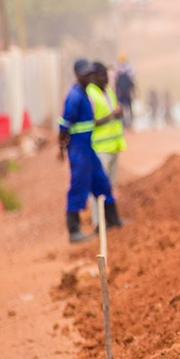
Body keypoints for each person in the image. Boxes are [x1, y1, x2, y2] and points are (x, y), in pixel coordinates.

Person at [58, 58, 122, 243]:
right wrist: (61, 148)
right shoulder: (75, 96)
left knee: (102, 183)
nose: (89, 77)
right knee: (79, 185)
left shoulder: (85, 93)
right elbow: (64, 125)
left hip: (88, 147)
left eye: (90, 74)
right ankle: (74, 230)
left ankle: (113, 220)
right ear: (77, 75)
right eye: (85, 74)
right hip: (78, 148)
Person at [87, 62, 126, 185]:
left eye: (106, 75)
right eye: (102, 75)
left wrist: (119, 112)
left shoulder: (108, 92)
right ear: (94, 77)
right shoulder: (90, 94)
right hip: (99, 149)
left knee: (109, 185)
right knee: (99, 186)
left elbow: (114, 113)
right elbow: (89, 122)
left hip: (113, 146)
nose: (106, 78)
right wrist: (112, 115)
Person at [114, 54, 136, 130]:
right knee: (128, 108)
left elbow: (116, 83)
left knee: (124, 108)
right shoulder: (129, 69)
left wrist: (116, 92)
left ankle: (126, 123)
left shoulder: (117, 70)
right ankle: (129, 123)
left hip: (122, 92)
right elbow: (133, 81)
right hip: (126, 92)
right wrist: (133, 92)